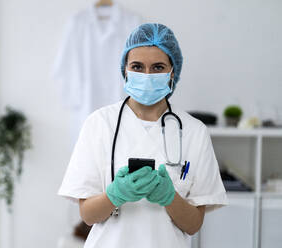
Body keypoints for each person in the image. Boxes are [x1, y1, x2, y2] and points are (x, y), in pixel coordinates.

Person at [58, 23, 228, 248]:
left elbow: (193, 224)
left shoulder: (194, 131)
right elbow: (88, 215)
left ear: (172, 72)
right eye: (137, 66)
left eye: (158, 67)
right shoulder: (99, 124)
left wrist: (170, 197)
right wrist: (115, 195)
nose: (147, 75)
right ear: (125, 70)